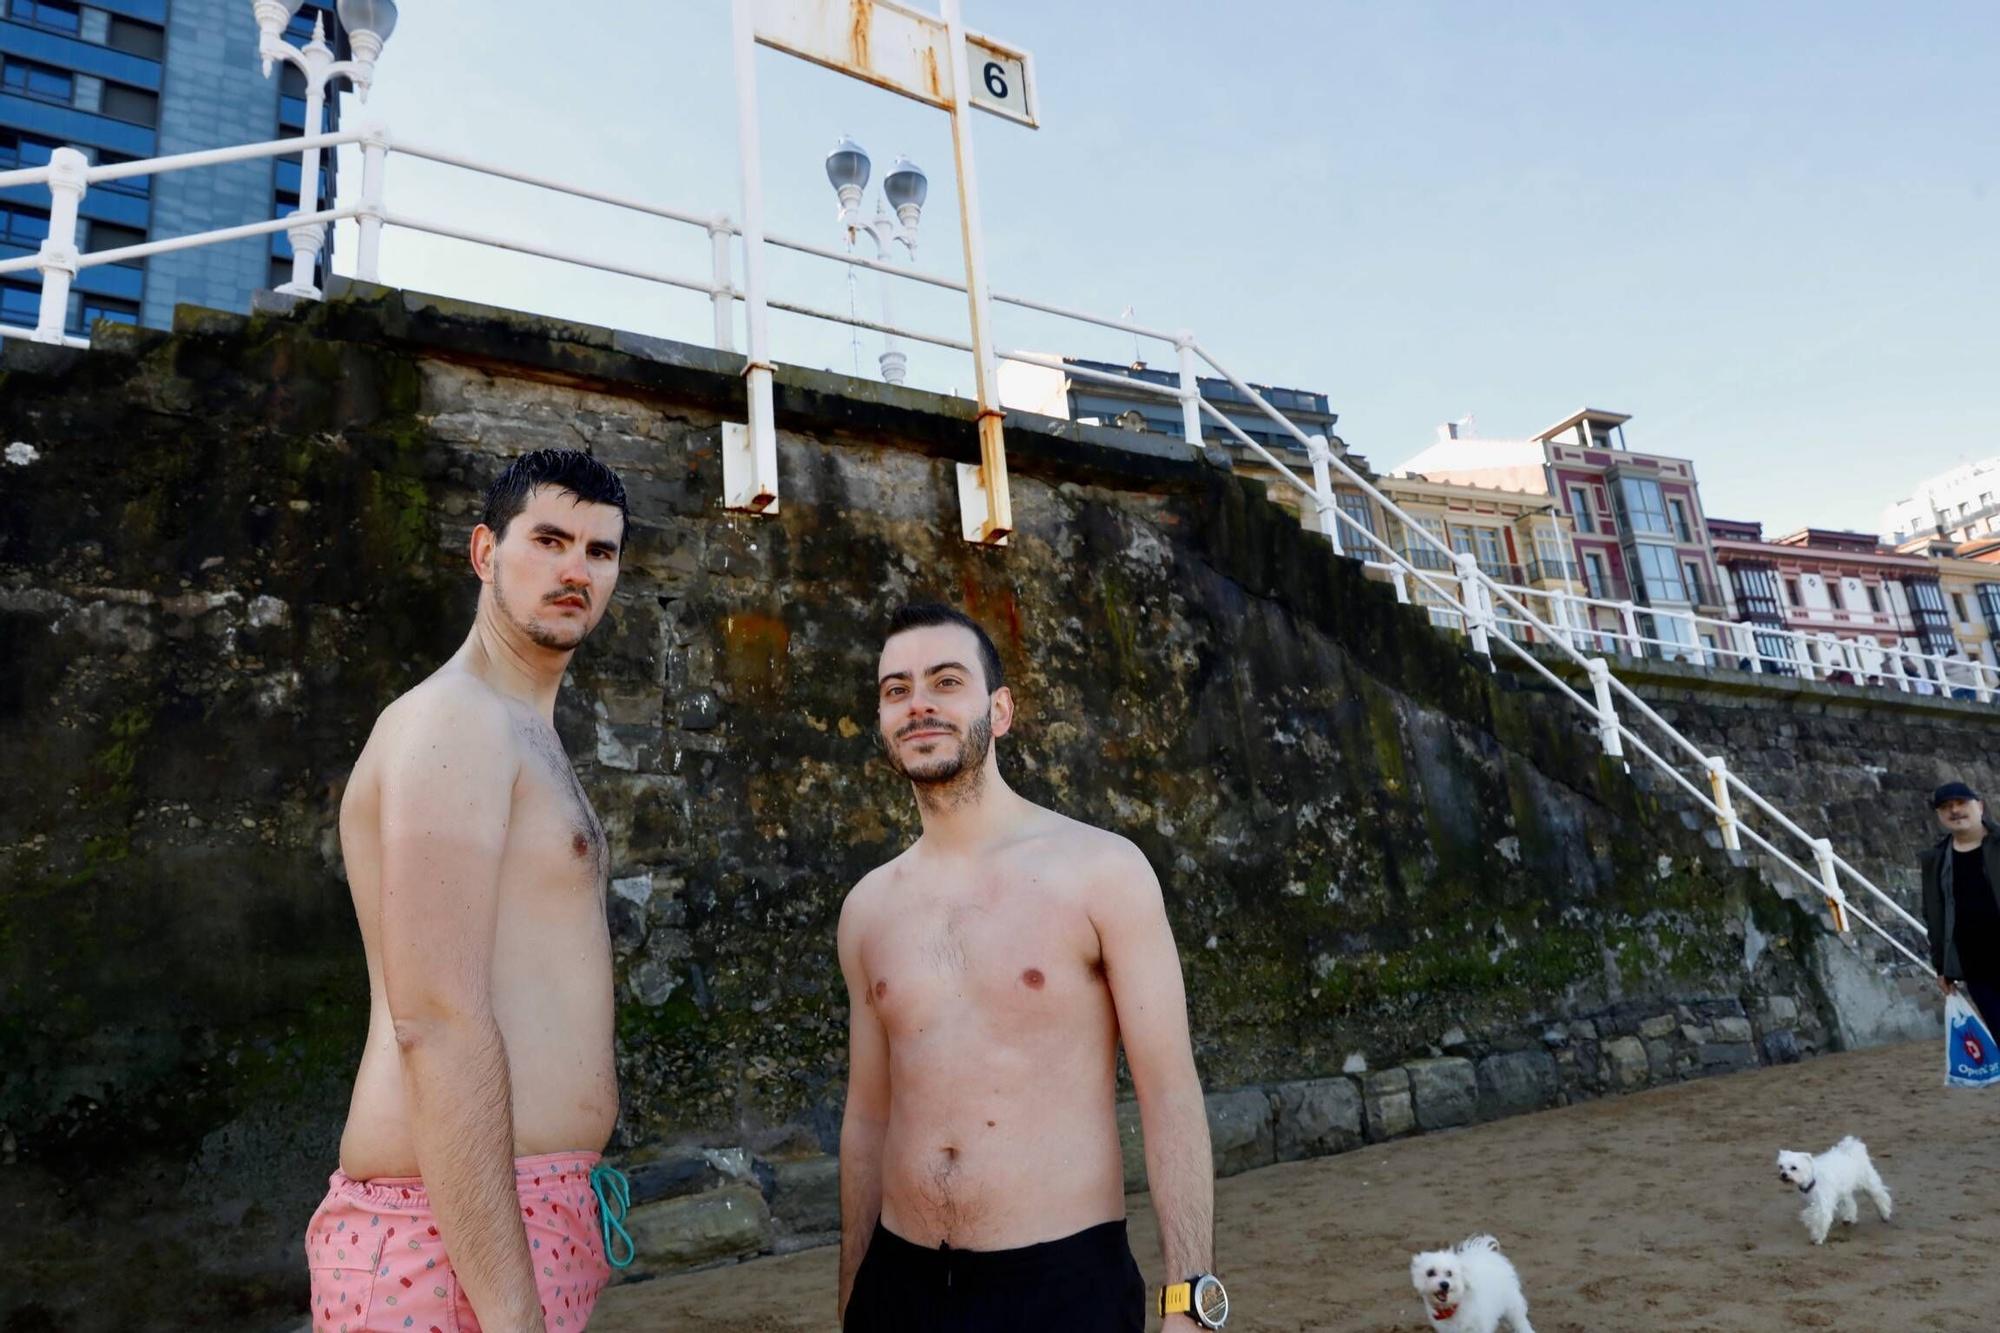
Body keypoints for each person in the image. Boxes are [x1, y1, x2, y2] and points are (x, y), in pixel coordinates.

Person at [305, 450, 634, 1333]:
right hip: (443, 1232)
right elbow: (436, 1017)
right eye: (550, 539)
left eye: (601, 552)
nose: (576, 570)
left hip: (517, 1220)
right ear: (485, 551)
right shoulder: (455, 722)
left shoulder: (521, 730)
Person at [836, 603, 1227, 1333]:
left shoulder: (1102, 870)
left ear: (1001, 708)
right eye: (896, 689)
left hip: (1059, 1284)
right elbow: (867, 1119)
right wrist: (853, 1295)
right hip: (900, 1285)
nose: (917, 703)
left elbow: (1170, 1092)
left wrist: (1191, 1301)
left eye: (945, 680)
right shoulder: (868, 908)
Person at [1920, 780, 2000, 1027]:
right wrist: (1942, 967)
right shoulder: (1935, 859)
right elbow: (1934, 914)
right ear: (1939, 815)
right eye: (1946, 807)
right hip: (1976, 965)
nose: (1954, 811)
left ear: (1980, 806)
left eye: (1961, 803)